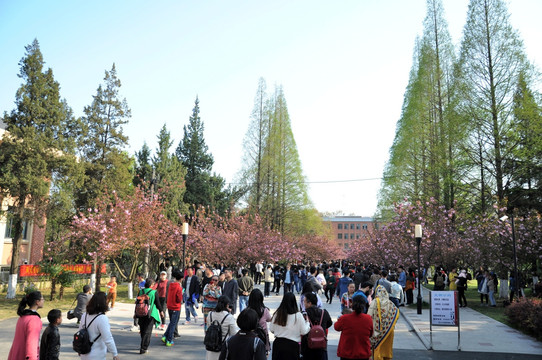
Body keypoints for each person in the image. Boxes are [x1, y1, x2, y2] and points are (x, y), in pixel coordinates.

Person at [269, 292, 310, 360]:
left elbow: (271, 329)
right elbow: (304, 331)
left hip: (278, 344)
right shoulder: (298, 316)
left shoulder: (278, 314)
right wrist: (307, 323)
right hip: (292, 346)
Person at [79, 292, 119, 360]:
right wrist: (115, 354)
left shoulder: (84, 315)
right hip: (97, 355)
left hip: (84, 353)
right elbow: (108, 339)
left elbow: (80, 332)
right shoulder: (102, 318)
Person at [334, 295, 373, 360]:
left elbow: (336, 327)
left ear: (352, 303)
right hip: (363, 352)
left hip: (347, 353)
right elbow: (370, 334)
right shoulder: (368, 318)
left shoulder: (345, 318)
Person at [8, 291, 45, 360]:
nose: (44, 301)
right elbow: (32, 344)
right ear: (37, 302)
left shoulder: (23, 317)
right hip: (25, 356)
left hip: (15, 355)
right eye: (42, 299)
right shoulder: (34, 320)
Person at [367, 286, 399, 360]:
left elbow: (369, 315)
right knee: (386, 348)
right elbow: (397, 313)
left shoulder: (375, 301)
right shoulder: (391, 304)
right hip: (389, 331)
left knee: (378, 347)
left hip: (377, 330)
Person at [301, 292, 333, 360]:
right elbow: (330, 323)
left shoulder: (304, 315)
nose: (304, 304)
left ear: (309, 303)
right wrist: (321, 328)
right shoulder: (324, 312)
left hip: (308, 346)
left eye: (305, 302)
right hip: (321, 346)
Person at [206, 296, 239, 360]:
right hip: (222, 348)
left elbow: (208, 327)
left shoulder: (210, 314)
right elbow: (233, 334)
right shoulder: (229, 317)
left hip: (211, 346)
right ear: (227, 305)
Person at [137, 278, 164, 354]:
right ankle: (143, 348)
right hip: (150, 313)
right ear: (152, 285)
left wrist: (135, 314)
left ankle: (143, 344)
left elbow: (137, 303)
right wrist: (161, 311)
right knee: (147, 331)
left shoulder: (141, 291)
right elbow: (158, 303)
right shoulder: (154, 292)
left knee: (143, 330)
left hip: (141, 313)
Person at [247, 289, 272, 353]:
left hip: (250, 337)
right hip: (262, 337)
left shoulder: (247, 311)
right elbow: (270, 319)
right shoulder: (265, 310)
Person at [163, 269, 183, 346]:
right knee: (173, 324)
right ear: (180, 279)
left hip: (170, 306)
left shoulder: (171, 284)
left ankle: (165, 336)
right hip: (175, 307)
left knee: (171, 323)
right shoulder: (179, 287)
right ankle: (169, 340)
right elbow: (179, 299)